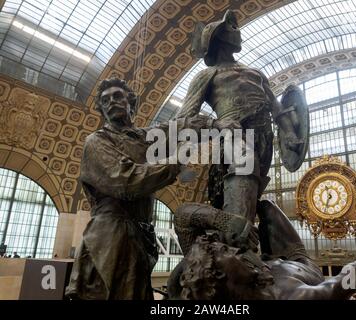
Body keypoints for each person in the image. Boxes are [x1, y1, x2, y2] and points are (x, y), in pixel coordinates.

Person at [65, 78, 235, 300]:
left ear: (131, 103)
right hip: (109, 239)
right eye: (105, 100)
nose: (111, 102)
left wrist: (217, 125)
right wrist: (176, 161)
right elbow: (127, 182)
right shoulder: (97, 141)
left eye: (117, 96)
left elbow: (181, 126)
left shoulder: (145, 138)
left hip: (140, 237)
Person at [177, 10, 304, 224]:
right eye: (232, 28)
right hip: (234, 139)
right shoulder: (207, 75)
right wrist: (215, 124)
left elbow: (276, 107)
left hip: (264, 139)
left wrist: (289, 133)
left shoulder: (256, 72)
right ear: (218, 37)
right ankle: (237, 239)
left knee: (252, 193)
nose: (238, 32)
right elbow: (182, 119)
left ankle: (241, 234)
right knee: (243, 183)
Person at [168, 200, 356, 300]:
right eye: (227, 253)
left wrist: (222, 220)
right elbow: (345, 282)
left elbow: (182, 216)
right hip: (297, 259)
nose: (236, 252)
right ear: (222, 275)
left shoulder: (221, 278)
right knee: (267, 206)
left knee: (259, 203)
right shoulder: (292, 297)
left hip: (272, 262)